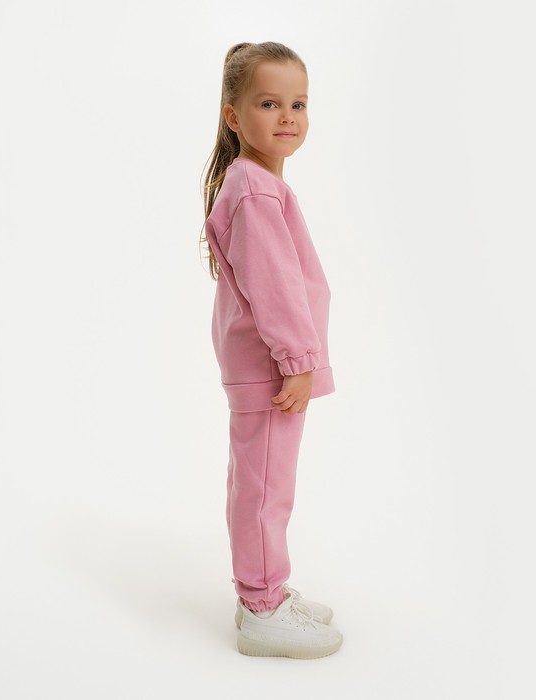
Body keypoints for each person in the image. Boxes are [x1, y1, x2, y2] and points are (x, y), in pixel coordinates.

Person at [200, 41, 343, 659]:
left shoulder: (257, 184)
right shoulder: (256, 191)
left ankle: (265, 589)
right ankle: (262, 605)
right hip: (273, 369)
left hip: (269, 366)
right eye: (268, 103)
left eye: (298, 104)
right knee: (264, 489)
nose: (288, 116)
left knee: (261, 482)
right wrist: (298, 363)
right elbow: (276, 287)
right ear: (234, 116)